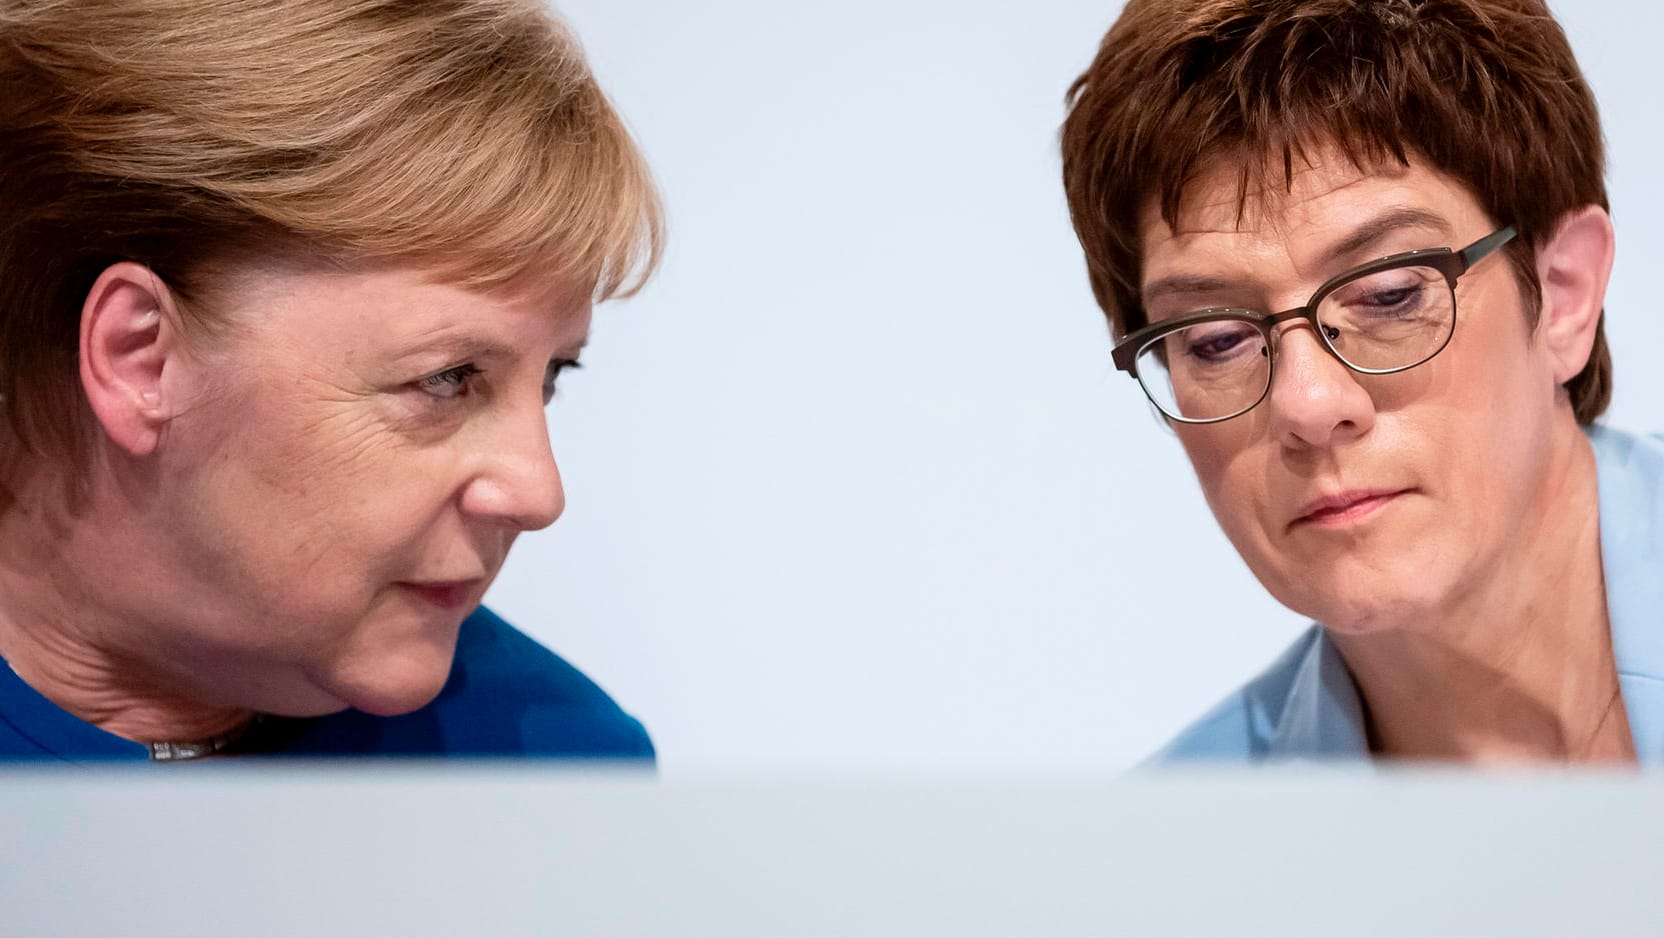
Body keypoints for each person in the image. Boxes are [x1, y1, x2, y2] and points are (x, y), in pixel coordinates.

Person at [0, 0, 660, 761]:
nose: (540, 495)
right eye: (448, 379)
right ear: (137, 356)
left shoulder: (555, 774)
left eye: (551, 378)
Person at [1061, 0, 1662, 763]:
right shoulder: (1168, 863)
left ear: (1565, 292)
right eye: (1215, 340)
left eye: (1389, 296)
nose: (1307, 405)